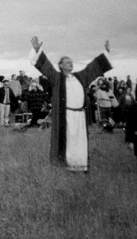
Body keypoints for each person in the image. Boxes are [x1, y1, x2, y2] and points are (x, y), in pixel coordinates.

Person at [29, 36, 113, 173]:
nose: (70, 64)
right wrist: (38, 50)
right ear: (60, 65)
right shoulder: (57, 78)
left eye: (71, 62)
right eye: (67, 62)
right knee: (67, 141)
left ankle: (80, 166)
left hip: (80, 116)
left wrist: (106, 53)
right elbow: (47, 68)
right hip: (66, 116)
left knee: (80, 142)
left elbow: (93, 68)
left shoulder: (80, 77)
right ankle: (65, 167)